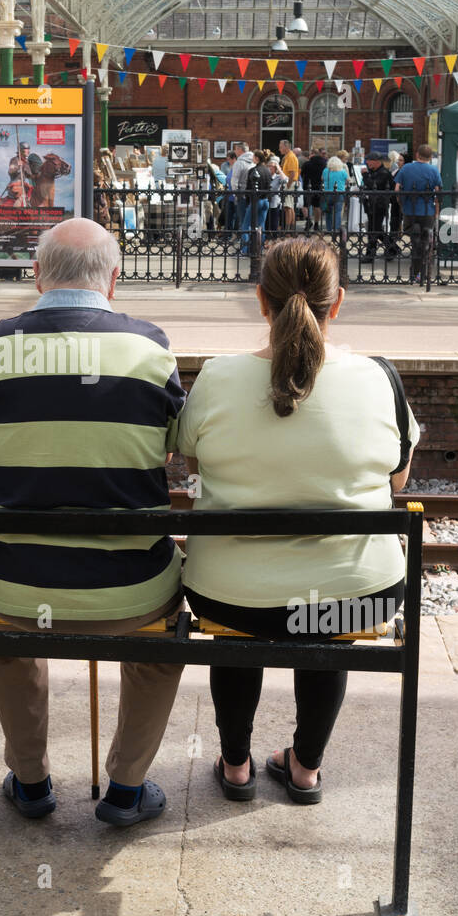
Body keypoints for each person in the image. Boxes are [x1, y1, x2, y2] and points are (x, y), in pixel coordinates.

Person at [177, 237, 419, 801]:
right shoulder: (380, 377)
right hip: (359, 595)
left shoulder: (216, 376)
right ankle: (305, 767)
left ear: (260, 300)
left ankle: (236, 765)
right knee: (326, 622)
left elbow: (193, 461)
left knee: (240, 632)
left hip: (228, 594)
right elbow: (396, 482)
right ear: (338, 303)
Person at [0, 218, 186, 828]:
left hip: (14, 583)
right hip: (130, 589)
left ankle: (31, 782)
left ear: (36, 275)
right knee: (160, 648)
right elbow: (169, 451)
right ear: (113, 281)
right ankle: (125, 789)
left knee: (11, 643)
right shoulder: (151, 347)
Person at [395, 143, 442, 284]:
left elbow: (396, 189)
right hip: (427, 211)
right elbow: (438, 193)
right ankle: (422, 273)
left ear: (417, 154)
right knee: (426, 242)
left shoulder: (406, 168)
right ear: (430, 156)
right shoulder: (434, 170)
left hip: (410, 210)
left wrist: (402, 204)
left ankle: (414, 273)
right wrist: (437, 212)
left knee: (415, 242)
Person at [361, 151, 398, 261]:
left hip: (379, 205)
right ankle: (393, 249)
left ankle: (370, 255)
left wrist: (365, 175)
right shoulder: (374, 171)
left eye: (369, 160)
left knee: (374, 230)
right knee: (376, 230)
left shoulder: (383, 173)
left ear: (376, 161)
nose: (367, 162)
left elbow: (373, 185)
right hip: (371, 205)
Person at [239, 149, 271, 255]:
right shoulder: (267, 170)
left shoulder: (253, 170)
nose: (252, 158)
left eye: (253, 157)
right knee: (261, 227)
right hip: (265, 200)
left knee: (245, 226)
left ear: (257, 158)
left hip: (255, 201)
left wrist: (248, 201)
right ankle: (259, 249)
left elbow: (249, 188)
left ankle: (245, 250)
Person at [300, 146, 327, 232]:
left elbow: (302, 174)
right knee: (317, 206)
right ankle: (316, 224)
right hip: (318, 186)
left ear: (312, 154)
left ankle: (308, 221)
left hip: (307, 186)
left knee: (305, 206)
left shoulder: (307, 164)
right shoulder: (324, 163)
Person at [231, 141, 255, 232]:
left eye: (236, 149)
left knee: (243, 220)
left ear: (239, 149)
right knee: (251, 220)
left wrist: (235, 194)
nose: (235, 152)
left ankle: (244, 243)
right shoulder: (253, 161)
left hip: (241, 193)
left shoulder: (239, 163)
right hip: (252, 194)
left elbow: (234, 180)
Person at [322, 155, 349, 233]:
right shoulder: (343, 171)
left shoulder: (326, 170)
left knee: (328, 212)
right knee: (338, 211)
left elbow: (322, 179)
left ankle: (329, 229)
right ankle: (336, 229)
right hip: (339, 193)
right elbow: (347, 180)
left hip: (328, 193)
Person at [279, 139, 300, 229]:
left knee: (288, 207)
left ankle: (288, 229)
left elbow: (292, 173)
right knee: (289, 206)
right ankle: (290, 228)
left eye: (280, 147)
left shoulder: (291, 157)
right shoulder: (288, 156)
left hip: (289, 183)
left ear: (286, 147)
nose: (279, 149)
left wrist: (288, 185)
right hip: (289, 182)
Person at [267, 156, 288, 234]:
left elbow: (285, 180)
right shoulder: (266, 175)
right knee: (266, 223)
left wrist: (279, 169)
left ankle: (274, 238)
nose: (270, 168)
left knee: (274, 223)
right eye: (269, 166)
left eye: (272, 167)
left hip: (274, 203)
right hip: (266, 201)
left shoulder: (278, 177)